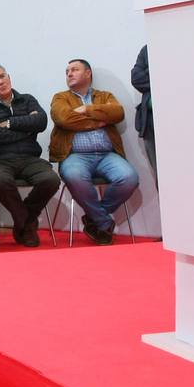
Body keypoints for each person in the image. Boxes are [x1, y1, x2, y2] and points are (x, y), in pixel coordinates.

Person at [49, 59, 139, 246]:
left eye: (74, 69)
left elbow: (117, 113)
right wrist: (98, 121)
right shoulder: (60, 97)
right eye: (67, 71)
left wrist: (86, 109)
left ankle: (94, 218)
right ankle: (103, 221)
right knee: (73, 175)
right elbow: (63, 118)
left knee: (129, 178)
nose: (69, 74)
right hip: (76, 156)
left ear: (88, 73)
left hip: (107, 155)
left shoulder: (105, 95)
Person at [0, 64, 60, 248]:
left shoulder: (27, 99)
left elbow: (41, 121)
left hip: (30, 158)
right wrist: (26, 130)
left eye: (2, 76)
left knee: (51, 179)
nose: (0, 82)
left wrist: (8, 123)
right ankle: (26, 222)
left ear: (9, 77)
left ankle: (24, 219)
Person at [130, 45, 155, 182]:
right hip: (151, 122)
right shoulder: (147, 49)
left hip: (185, 117)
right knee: (161, 174)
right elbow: (136, 78)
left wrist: (149, 71)